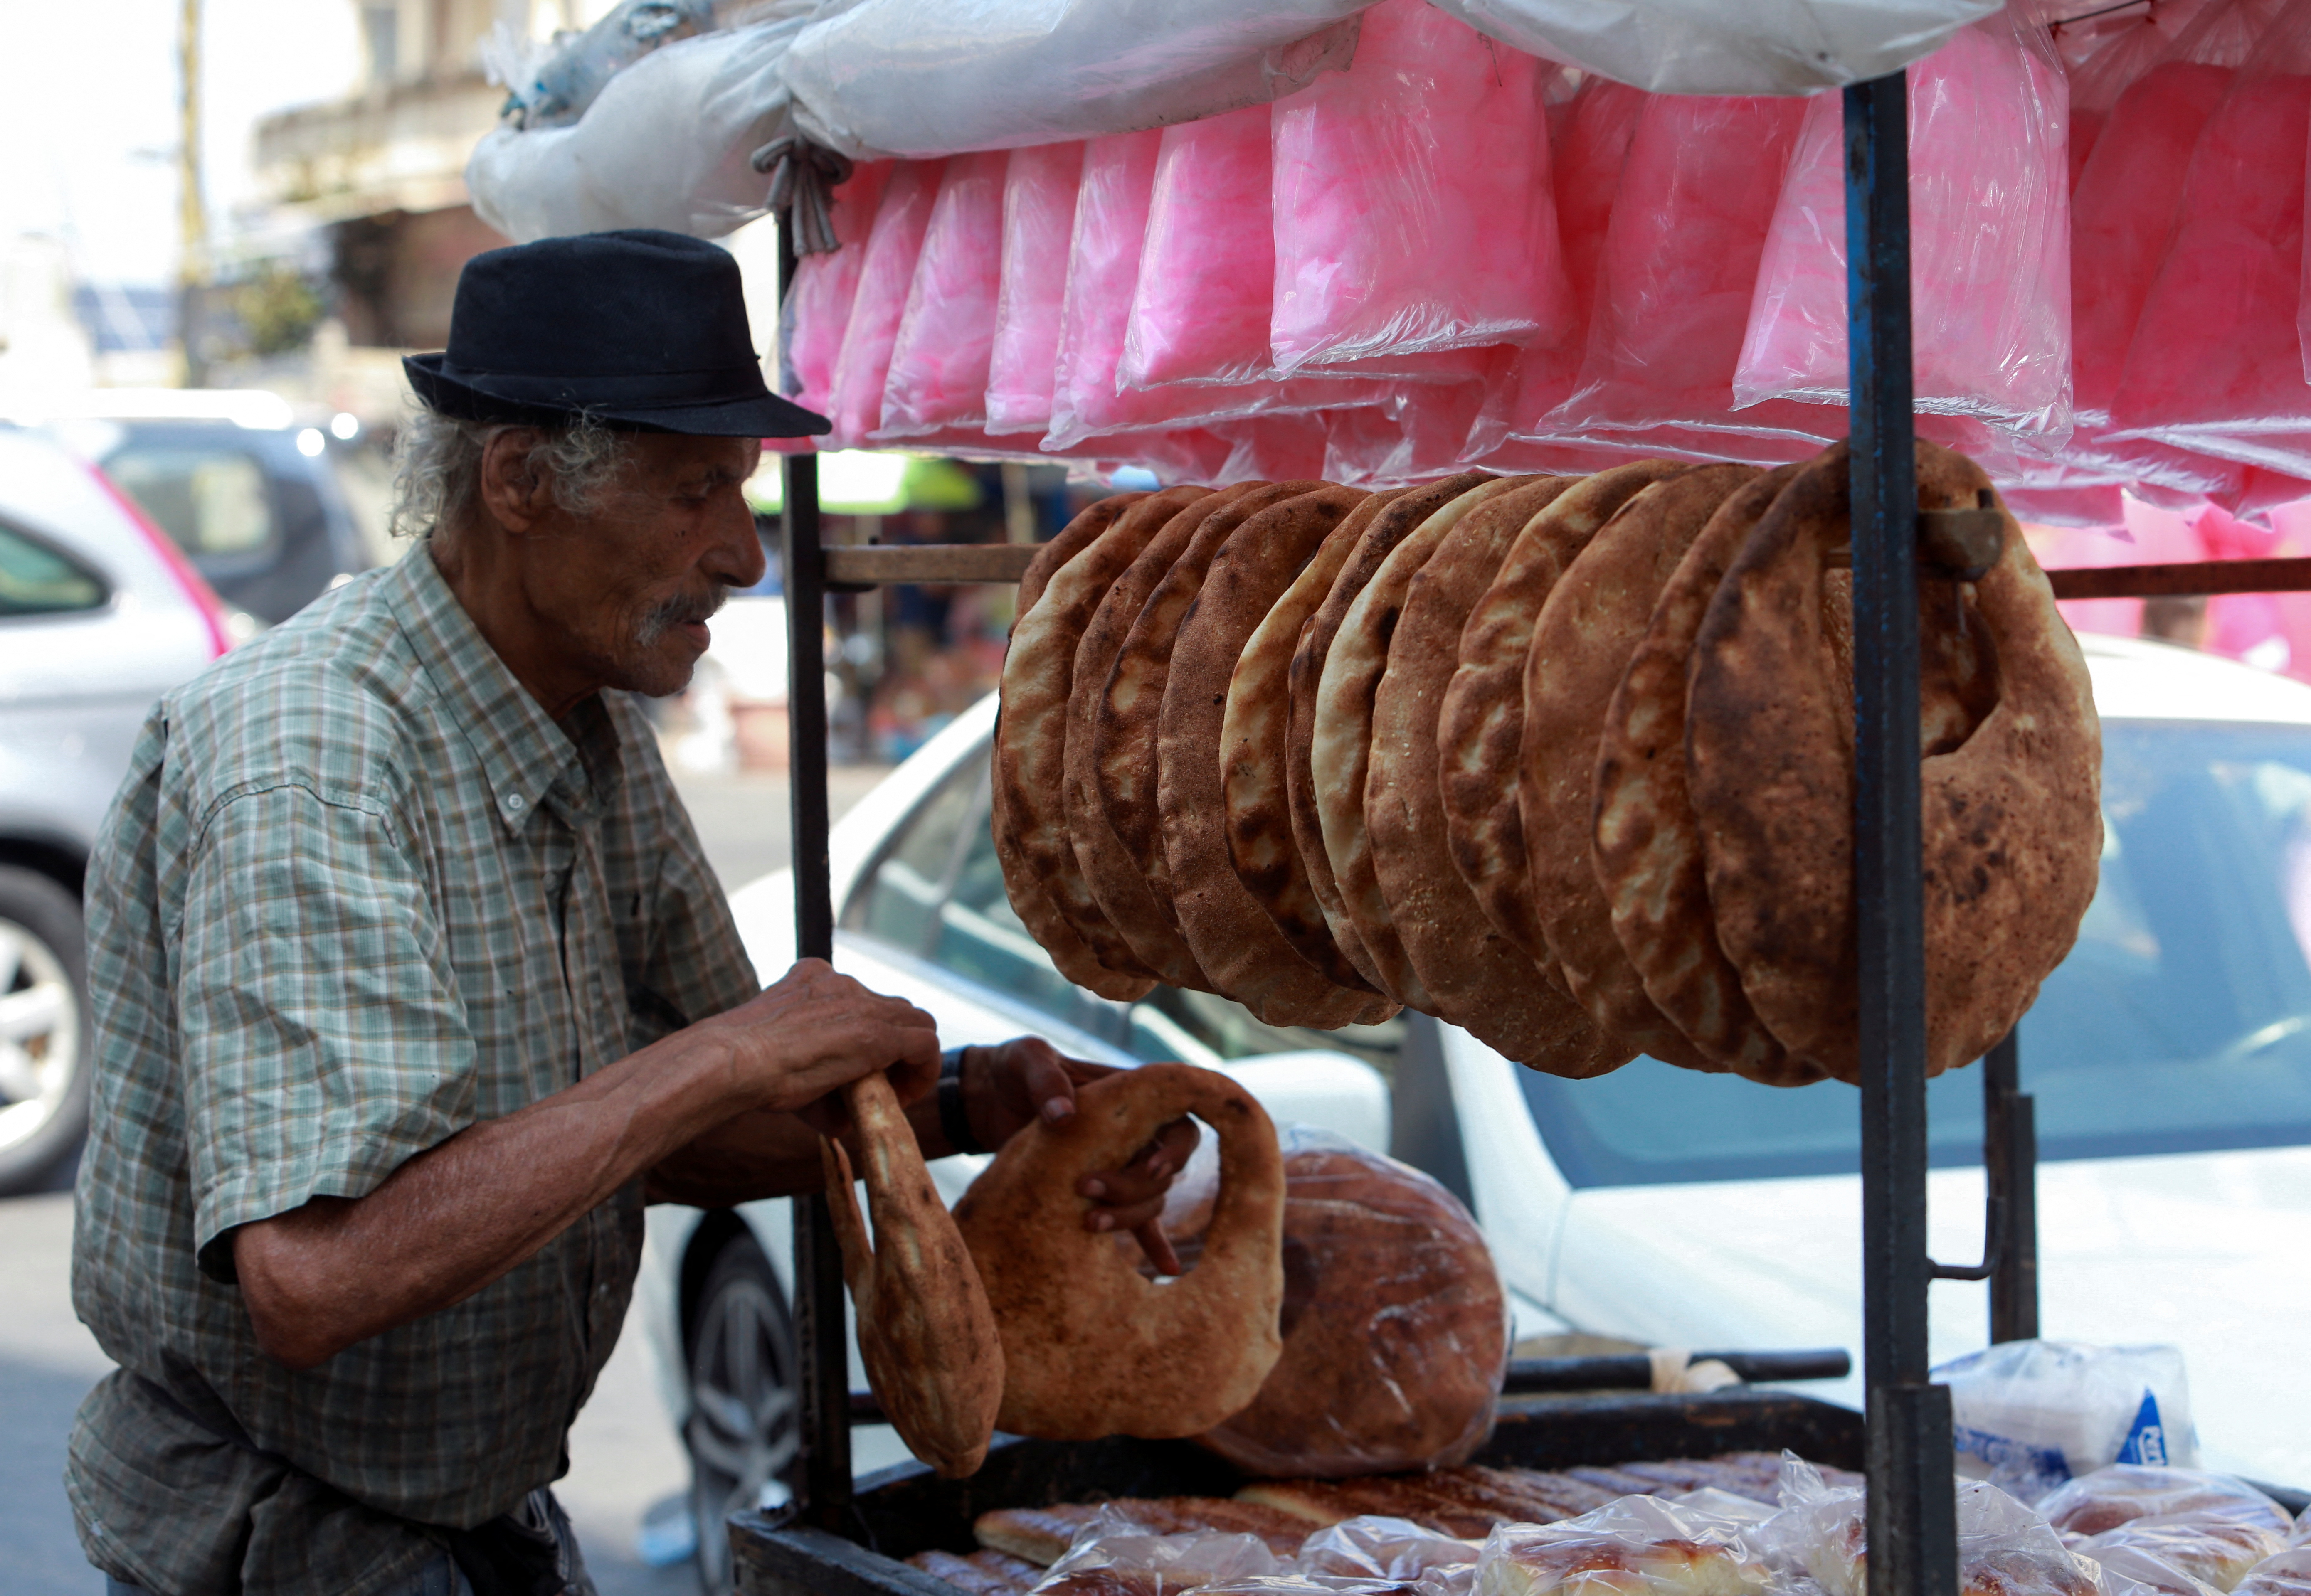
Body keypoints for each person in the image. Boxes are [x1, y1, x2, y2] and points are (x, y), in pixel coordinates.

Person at [68, 231, 1191, 1596]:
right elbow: (316, 1278)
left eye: (739, 495)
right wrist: (724, 1054)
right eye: (691, 494)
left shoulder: (588, 729)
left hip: (480, 1522)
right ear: (521, 482)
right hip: (282, 1545)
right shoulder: (313, 755)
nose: (740, 556)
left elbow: (677, 1136)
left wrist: (967, 1106)